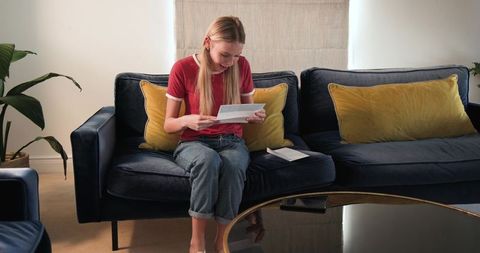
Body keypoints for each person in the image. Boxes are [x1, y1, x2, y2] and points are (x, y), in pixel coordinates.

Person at [164, 16, 266, 253]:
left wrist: (256, 116)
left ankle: (221, 240)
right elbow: (168, 124)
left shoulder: (242, 66)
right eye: (225, 55)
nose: (231, 62)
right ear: (208, 42)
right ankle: (197, 241)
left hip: (232, 141)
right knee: (208, 160)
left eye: (236, 56)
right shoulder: (183, 68)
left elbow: (249, 111)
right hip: (193, 142)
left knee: (232, 165)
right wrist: (187, 120)